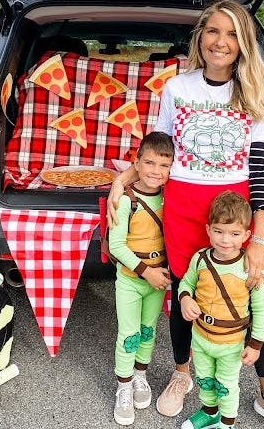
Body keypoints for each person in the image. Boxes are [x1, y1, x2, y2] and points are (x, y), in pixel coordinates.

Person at [108, 0, 264, 429]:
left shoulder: (257, 93)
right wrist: (123, 179)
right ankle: (182, 376)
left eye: (232, 34)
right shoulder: (177, 89)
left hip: (231, 212)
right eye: (213, 31)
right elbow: (158, 150)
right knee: (185, 293)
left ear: (243, 43)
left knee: (244, 296)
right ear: (201, 37)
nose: (221, 41)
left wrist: (259, 236)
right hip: (181, 207)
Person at [179, 191, 264, 429]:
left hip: (230, 343)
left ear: (247, 236)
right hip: (200, 338)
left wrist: (256, 344)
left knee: (226, 385)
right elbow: (186, 283)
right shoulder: (200, 259)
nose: (225, 240)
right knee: (205, 380)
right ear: (208, 230)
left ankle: (227, 424)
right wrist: (186, 298)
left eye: (234, 234)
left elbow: (261, 309)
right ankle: (210, 413)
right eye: (218, 231)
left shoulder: (249, 267)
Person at [108, 131, 174, 426]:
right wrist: (146, 272)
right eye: (148, 163)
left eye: (163, 165)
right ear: (136, 162)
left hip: (158, 279)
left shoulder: (171, 196)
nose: (155, 171)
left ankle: (140, 377)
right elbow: (116, 245)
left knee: (148, 331)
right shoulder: (127, 199)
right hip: (133, 280)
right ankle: (123, 388)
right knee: (129, 333)